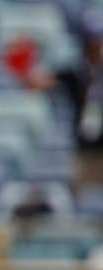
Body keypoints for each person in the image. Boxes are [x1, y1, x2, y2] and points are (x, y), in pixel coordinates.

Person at [15, 10, 103, 184]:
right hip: (85, 152)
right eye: (92, 41)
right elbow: (36, 83)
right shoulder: (75, 73)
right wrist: (21, 64)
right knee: (83, 199)